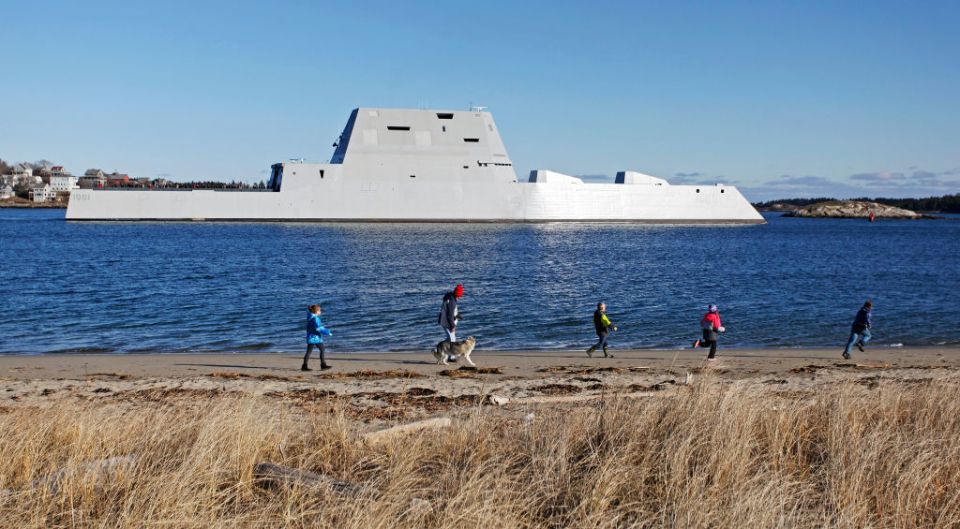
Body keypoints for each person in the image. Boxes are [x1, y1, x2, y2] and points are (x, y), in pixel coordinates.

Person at [302, 304, 332, 371]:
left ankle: (304, 366)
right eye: (320, 310)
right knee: (321, 349)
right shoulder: (315, 318)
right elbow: (318, 328)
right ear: (316, 311)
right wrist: (327, 332)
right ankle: (322, 365)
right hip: (314, 338)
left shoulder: (311, 317)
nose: (320, 311)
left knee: (310, 351)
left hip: (312, 337)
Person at [438, 284, 464, 362]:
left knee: (450, 338)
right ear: (458, 294)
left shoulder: (450, 297)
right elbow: (449, 315)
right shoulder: (452, 301)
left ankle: (440, 348)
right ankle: (451, 357)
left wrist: (457, 315)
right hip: (447, 322)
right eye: (460, 295)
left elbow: (450, 312)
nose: (460, 297)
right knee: (452, 339)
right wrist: (452, 326)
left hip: (444, 321)